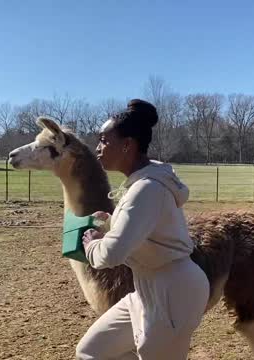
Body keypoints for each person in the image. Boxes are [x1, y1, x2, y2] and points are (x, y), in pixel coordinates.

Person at [76, 99, 209, 359]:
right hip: (146, 289)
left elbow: (112, 254)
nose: (98, 148)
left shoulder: (147, 188)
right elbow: (143, 226)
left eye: (104, 140)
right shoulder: (143, 183)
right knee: (91, 351)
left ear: (127, 145)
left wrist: (91, 243)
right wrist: (113, 221)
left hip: (174, 292)